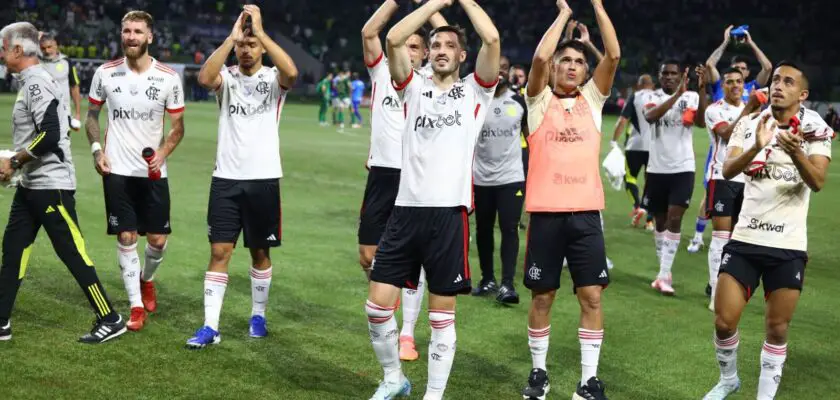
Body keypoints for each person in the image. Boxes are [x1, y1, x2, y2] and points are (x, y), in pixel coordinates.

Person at [363, 0, 500, 398]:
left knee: (442, 317)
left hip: (448, 216)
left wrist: (466, 2)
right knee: (376, 307)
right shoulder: (413, 88)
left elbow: (491, 37)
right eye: (435, 44)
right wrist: (435, 4)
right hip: (405, 211)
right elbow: (392, 38)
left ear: (462, 55)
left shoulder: (475, 92)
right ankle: (393, 379)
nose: (440, 50)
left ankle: (434, 395)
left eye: (448, 45)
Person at [702, 61, 833, 400]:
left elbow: (817, 181)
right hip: (745, 238)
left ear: (802, 94)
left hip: (787, 244)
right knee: (723, 321)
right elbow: (727, 169)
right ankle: (728, 379)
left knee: (776, 329)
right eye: (775, 79)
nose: (778, 85)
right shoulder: (749, 123)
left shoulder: (815, 126)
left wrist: (797, 153)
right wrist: (757, 146)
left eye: (788, 82)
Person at [0, 21, 126, 344]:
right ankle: (1, 321)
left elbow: (50, 135)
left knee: (72, 251)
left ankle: (110, 318)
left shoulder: (37, 83)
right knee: (14, 248)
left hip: (51, 185)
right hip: (32, 184)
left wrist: (14, 161)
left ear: (17, 50)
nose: (0, 54)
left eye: (3, 47)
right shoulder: (30, 82)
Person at [520, 0, 619, 399]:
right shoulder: (537, 101)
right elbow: (540, 56)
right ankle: (539, 374)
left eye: (579, 60)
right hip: (546, 216)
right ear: (556, 68)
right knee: (543, 296)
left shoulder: (592, 101)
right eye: (567, 61)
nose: (574, 65)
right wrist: (563, 14)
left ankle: (588, 380)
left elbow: (613, 54)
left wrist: (596, 5)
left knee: (591, 295)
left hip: (586, 216)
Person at [186, 5, 297, 348]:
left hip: (263, 178)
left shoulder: (273, 79)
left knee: (260, 252)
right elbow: (204, 79)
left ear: (262, 48)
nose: (246, 50)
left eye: (252, 45)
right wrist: (230, 39)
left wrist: (260, 31)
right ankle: (210, 326)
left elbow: (291, 73)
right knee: (219, 250)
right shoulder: (227, 77)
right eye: (242, 46)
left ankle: (258, 315)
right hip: (226, 178)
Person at [359, 0, 447, 364]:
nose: (408, 51)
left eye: (415, 46)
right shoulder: (381, 71)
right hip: (382, 173)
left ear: (426, 53)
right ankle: (392, 319)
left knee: (417, 261)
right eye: (404, 45)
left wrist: (431, 6)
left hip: (417, 176)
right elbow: (369, 32)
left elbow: (450, 37)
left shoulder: (434, 81)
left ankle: (406, 334)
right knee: (369, 256)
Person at [85, 11, 185, 331]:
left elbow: (178, 127)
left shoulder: (168, 77)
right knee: (126, 236)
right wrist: (97, 150)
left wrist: (163, 152)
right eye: (126, 31)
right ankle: (136, 306)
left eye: (137, 32)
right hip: (116, 169)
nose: (131, 36)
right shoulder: (105, 73)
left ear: (149, 37)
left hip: (153, 173)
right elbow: (91, 117)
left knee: (157, 240)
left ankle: (147, 279)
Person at [688, 25, 773, 254]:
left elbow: (768, 67)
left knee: (738, 229)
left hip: (745, 168)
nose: (735, 83)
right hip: (720, 162)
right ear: (724, 83)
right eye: (730, 80)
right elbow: (709, 66)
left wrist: (751, 42)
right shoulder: (719, 94)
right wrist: (725, 41)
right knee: (710, 200)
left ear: (745, 75)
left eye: (742, 74)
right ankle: (697, 237)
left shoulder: (751, 91)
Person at [642, 60, 703, 296]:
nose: (668, 76)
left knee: (675, 219)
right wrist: (677, 95)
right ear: (659, 75)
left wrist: (703, 90)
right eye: (665, 73)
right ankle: (663, 271)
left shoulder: (692, 98)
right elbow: (651, 116)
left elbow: (698, 123)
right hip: (656, 169)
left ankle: (663, 275)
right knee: (660, 221)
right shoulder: (652, 96)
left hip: (683, 168)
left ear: (680, 76)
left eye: (673, 73)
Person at [471, 55, 527, 304]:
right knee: (483, 230)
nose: (501, 71)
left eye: (505, 67)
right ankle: (487, 279)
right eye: (497, 67)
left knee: (509, 229)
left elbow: (531, 138)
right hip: (481, 178)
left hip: (511, 178)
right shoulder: (474, 102)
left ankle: (507, 284)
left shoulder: (518, 101)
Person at [610, 74, 654, 227]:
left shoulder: (635, 97)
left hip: (634, 146)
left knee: (630, 178)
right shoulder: (660, 97)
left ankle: (637, 206)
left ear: (639, 85)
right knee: (652, 182)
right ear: (652, 85)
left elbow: (622, 121)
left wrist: (613, 141)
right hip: (655, 148)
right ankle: (649, 220)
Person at [39, 32, 82, 132]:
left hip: (64, 113)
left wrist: (78, 113)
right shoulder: (37, 63)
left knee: (63, 145)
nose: (47, 51)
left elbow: (74, 87)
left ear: (55, 45)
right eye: (43, 48)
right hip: (41, 113)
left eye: (49, 47)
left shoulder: (67, 62)